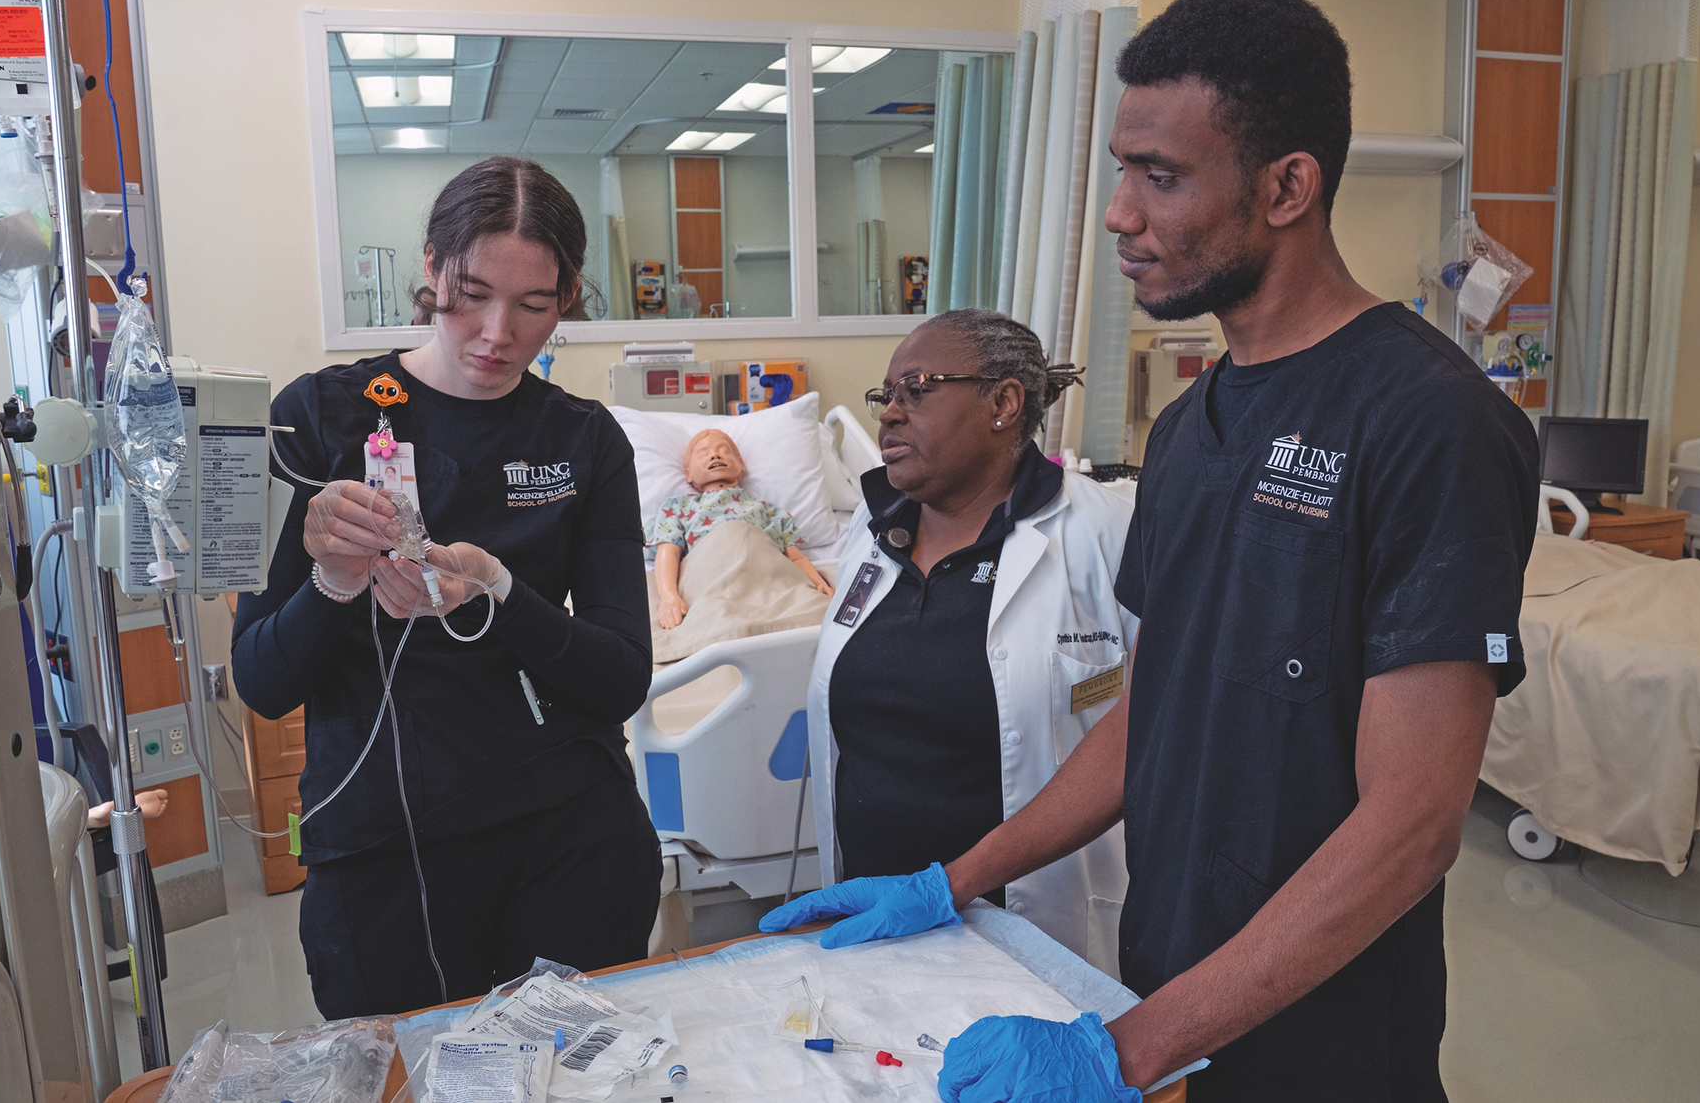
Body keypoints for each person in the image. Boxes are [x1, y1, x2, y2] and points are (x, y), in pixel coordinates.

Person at [760, 0, 1540, 1101]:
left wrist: (1122, 1053)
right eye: (1121, 171)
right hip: (1170, 997)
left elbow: (1412, 825)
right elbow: (1150, 709)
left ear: (1285, 186)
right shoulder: (1190, 429)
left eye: (1159, 177)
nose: (1120, 214)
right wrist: (953, 880)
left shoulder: (1425, 421)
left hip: (1323, 1040)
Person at [231, 156, 661, 1019]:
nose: (497, 332)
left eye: (534, 306)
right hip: (387, 846)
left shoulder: (585, 439)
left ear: (567, 296)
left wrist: (500, 592)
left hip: (569, 834)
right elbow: (261, 681)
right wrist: (332, 582)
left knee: (567, 1079)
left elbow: (620, 676)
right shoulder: (315, 417)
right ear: (429, 269)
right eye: (469, 293)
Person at [763, 308, 1136, 967]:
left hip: (1033, 934)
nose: (889, 413)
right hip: (877, 926)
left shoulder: (1105, 529)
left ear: (1003, 401)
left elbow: (1156, 716)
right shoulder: (872, 534)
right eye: (886, 396)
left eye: (919, 388)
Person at [651, 429, 832, 631]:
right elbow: (668, 553)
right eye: (703, 453)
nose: (715, 455)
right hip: (712, 579)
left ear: (741, 464)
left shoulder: (768, 510)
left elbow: (795, 558)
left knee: (818, 612)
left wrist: (817, 583)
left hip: (767, 579)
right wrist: (669, 596)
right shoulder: (677, 507)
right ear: (688, 474)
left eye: (724, 450)